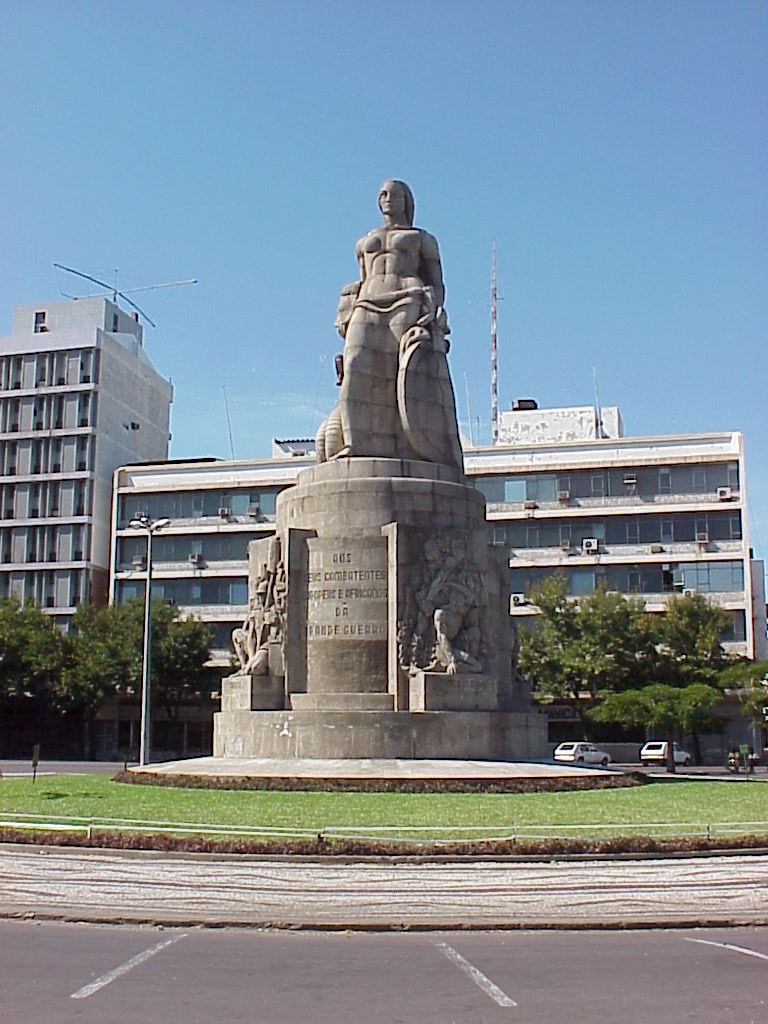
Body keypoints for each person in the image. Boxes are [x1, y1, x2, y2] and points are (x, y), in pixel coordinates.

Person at [318, 180, 462, 469]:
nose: (387, 199)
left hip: (407, 297)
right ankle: (355, 443)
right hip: (369, 301)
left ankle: (405, 446)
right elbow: (361, 278)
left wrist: (432, 305)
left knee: (398, 370)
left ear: (406, 201)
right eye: (382, 194)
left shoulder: (422, 239)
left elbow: (437, 283)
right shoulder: (364, 241)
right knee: (355, 365)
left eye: (394, 195)